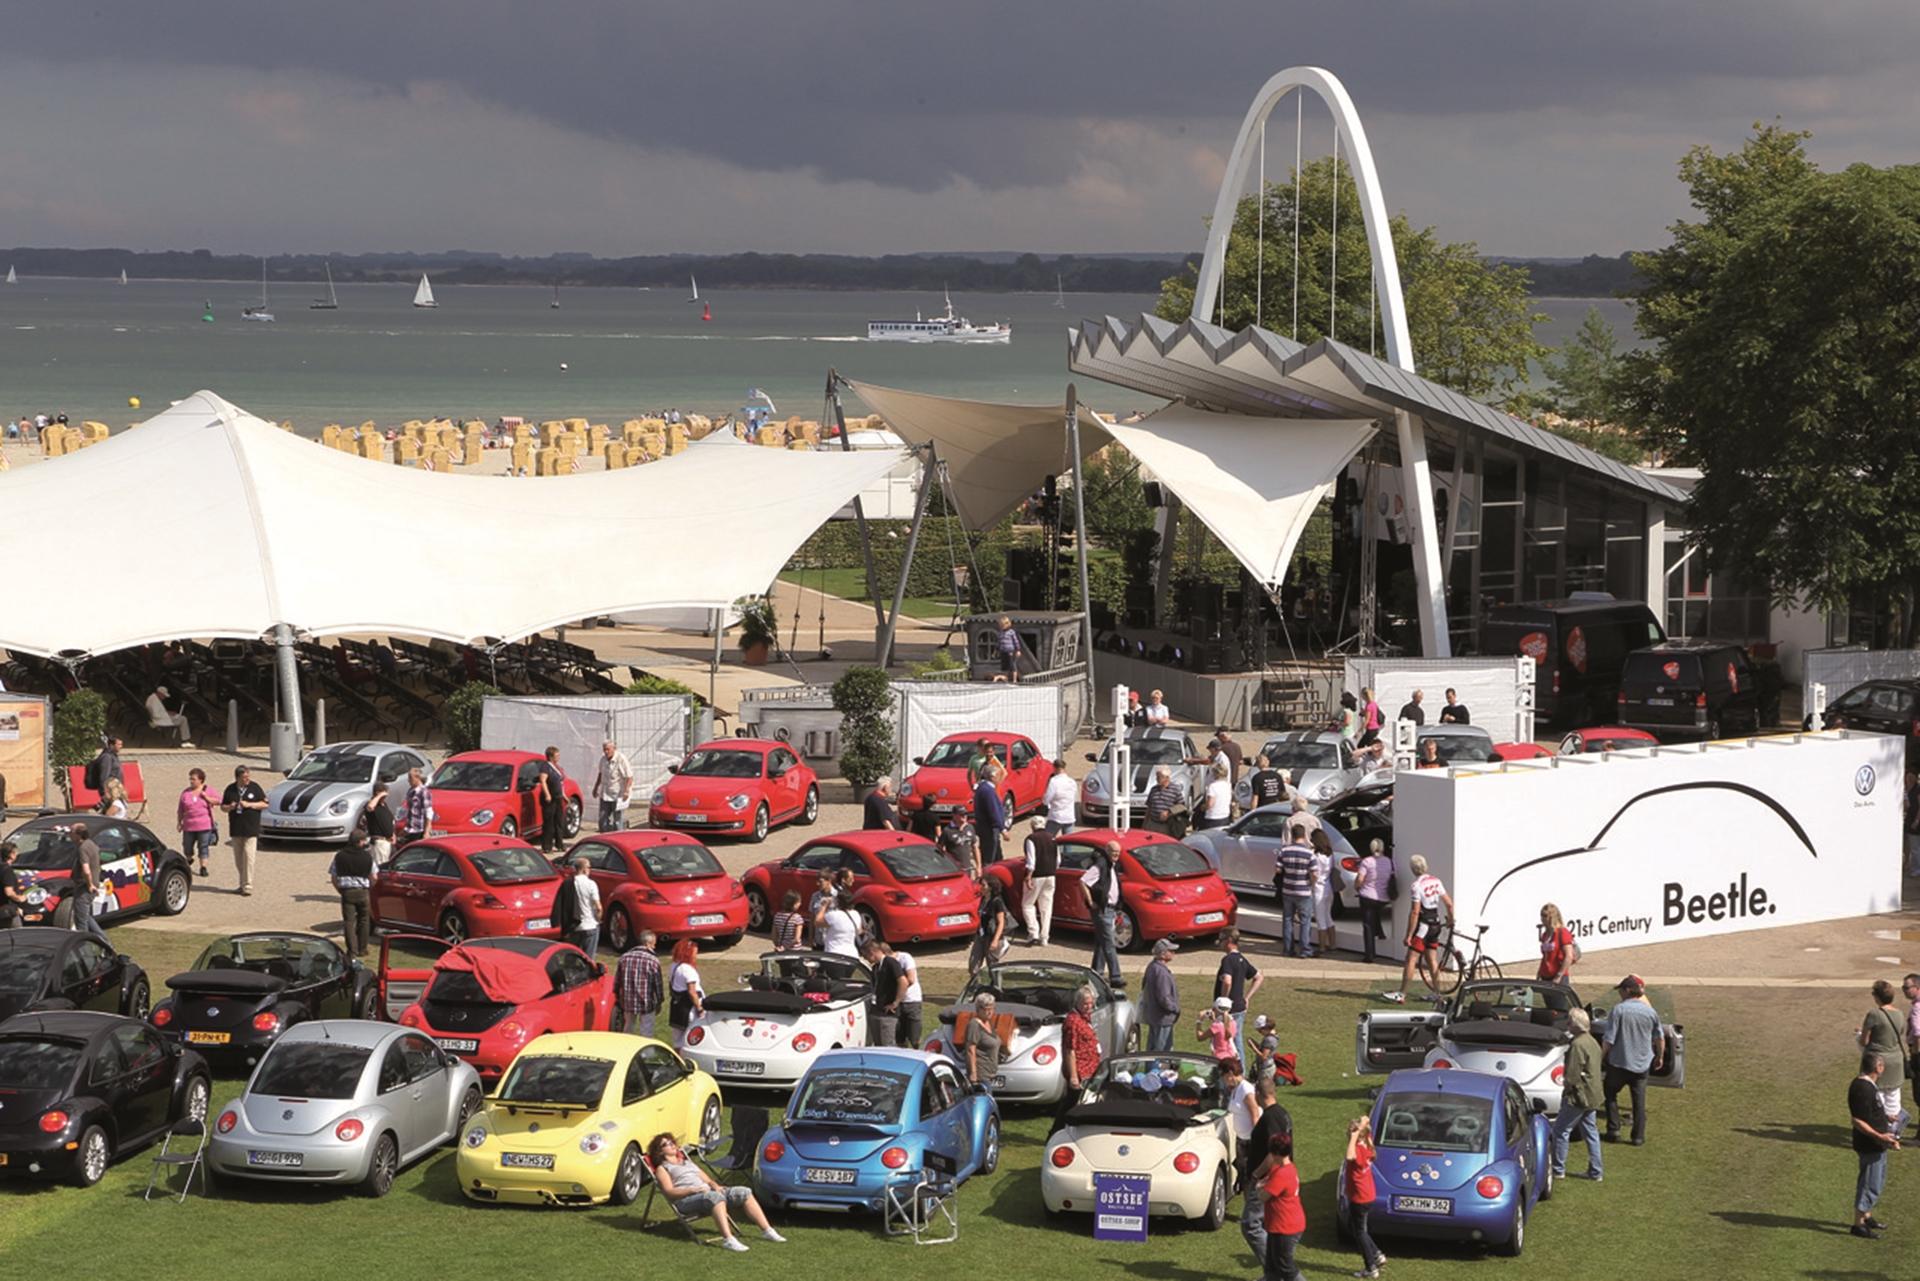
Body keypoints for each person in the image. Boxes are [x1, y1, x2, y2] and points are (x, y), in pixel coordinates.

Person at [646, 1132, 785, 1251]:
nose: (672, 1145)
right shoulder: (662, 1169)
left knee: (744, 1192)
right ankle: (728, 1239)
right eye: (666, 1144)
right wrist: (692, 1190)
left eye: (672, 1142)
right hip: (686, 1200)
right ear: (659, 1151)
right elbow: (670, 1192)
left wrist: (716, 1185)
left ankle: (767, 1231)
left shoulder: (688, 1163)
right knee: (714, 1198)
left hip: (706, 1193)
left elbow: (707, 1179)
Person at [1601, 974, 1666, 1145]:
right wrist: (1659, 1056)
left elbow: (1609, 1038)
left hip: (1619, 1062)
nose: (1619, 994)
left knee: (1610, 1094)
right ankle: (1638, 1136)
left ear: (1628, 991)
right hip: (1642, 1064)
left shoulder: (1619, 1010)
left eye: (1621, 990)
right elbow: (1659, 1037)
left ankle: (1613, 1130)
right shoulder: (1650, 1012)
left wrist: (1601, 1057)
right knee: (1638, 1102)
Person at [1385, 855, 1452, 1003]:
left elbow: (1415, 912)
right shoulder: (1436, 881)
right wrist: (1451, 920)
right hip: (1436, 923)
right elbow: (1449, 903)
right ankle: (1437, 993)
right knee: (1432, 960)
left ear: (1412, 869)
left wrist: (1409, 935)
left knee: (1411, 959)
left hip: (1424, 926)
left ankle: (1402, 993)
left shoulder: (1416, 886)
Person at [1550, 1006, 1605, 1182]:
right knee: (1591, 1132)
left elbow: (1572, 1075)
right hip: (1593, 1094)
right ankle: (1596, 1171)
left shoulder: (1577, 1044)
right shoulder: (1592, 1041)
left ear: (1576, 1024)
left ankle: (1558, 1169)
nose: (1567, 1025)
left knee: (1560, 1131)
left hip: (1579, 1096)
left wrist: (1567, 1092)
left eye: (1570, 1022)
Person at [1850, 1051, 1900, 1239]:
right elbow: (1857, 1120)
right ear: (1877, 1067)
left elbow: (1869, 1112)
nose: (1884, 1068)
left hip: (1878, 1143)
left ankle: (1867, 1215)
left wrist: (1886, 1117)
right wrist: (1879, 1135)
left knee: (1876, 1180)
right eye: (1882, 1065)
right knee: (1869, 1183)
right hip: (1870, 1144)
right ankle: (1858, 1224)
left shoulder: (1869, 1086)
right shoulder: (1862, 1088)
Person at [1858, 979, 1910, 1134]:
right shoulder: (1900, 1014)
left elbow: (1864, 1041)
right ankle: (1894, 1132)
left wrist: (1859, 1035)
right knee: (1893, 1097)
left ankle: (1880, 1131)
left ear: (1877, 996)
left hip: (1877, 1061)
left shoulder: (1874, 1014)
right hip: (1896, 1061)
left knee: (1877, 1097)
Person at [1344, 1115, 1386, 1278]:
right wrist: (1363, 1124)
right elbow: (1367, 1121)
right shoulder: (1368, 1144)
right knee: (1361, 1229)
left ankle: (1370, 1267)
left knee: (1359, 1232)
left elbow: (1349, 1156)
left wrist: (1354, 1136)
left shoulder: (1358, 1150)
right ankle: (1377, 1254)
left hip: (1359, 1197)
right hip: (1368, 1194)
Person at [1261, 1130, 1305, 1281]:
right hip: (1278, 1224)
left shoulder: (1283, 1173)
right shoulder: (1284, 1167)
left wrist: (1259, 1186)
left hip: (1286, 1226)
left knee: (1285, 1266)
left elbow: (1263, 1196)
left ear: (1276, 1153)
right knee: (1272, 1264)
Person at [1215, 929, 1264, 1064]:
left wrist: (1222, 1002)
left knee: (1228, 1042)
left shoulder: (1228, 960)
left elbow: (1227, 981)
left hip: (1228, 1010)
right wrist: (1247, 997)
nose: (1220, 944)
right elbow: (1258, 977)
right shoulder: (1242, 959)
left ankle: (1237, 1072)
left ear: (1229, 941)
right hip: (1240, 1007)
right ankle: (1240, 1071)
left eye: (1222, 940)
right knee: (1237, 1040)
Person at [1081, 838, 1123, 988]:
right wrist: (1091, 901)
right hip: (1102, 909)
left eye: (1118, 853)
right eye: (1113, 852)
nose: (1116, 855)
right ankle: (1116, 976)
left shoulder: (1112, 866)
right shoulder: (1101, 865)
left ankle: (1096, 973)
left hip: (1110, 909)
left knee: (1101, 942)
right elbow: (1084, 881)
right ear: (1107, 851)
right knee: (1109, 943)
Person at [220, 766, 268, 896]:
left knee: (249, 856)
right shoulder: (230, 789)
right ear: (237, 778)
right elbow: (222, 807)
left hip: (251, 828)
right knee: (238, 859)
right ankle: (242, 883)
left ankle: (248, 885)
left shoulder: (255, 787)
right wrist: (229, 807)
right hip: (236, 828)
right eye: (244, 777)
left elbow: (265, 804)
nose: (247, 779)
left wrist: (250, 805)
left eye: (248, 776)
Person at [328, 830, 375, 959]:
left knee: (349, 921)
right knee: (364, 920)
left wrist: (340, 890)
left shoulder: (340, 856)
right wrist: (370, 888)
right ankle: (362, 948)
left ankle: (352, 951)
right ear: (360, 842)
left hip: (347, 891)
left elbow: (333, 877)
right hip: (363, 890)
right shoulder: (367, 856)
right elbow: (374, 876)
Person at [1273, 826, 1315, 959]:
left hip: (1288, 889)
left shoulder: (1284, 851)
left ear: (1292, 835)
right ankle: (1305, 949)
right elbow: (1314, 873)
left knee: (1287, 919)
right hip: (1304, 891)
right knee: (1305, 921)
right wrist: (1311, 883)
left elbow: (1278, 870)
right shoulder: (1309, 853)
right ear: (1304, 835)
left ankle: (1288, 949)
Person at [614, 930, 663, 1036]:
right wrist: (659, 1001)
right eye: (654, 944)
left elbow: (617, 982)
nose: (654, 947)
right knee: (646, 1031)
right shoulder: (653, 961)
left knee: (628, 1028)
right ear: (647, 944)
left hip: (628, 1000)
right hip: (646, 1003)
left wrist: (618, 997)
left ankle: (626, 1049)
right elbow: (658, 985)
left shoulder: (624, 958)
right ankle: (645, 1051)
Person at [1220, 1056, 1259, 1190]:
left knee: (1249, 1177)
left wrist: (1256, 1139)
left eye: (1224, 1076)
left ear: (1230, 1074)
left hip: (1250, 1141)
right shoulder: (1236, 1089)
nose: (1224, 1080)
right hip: (1242, 1139)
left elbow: (1255, 1114)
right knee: (1243, 1176)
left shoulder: (1246, 1090)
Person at [68, 822, 110, 944]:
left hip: (84, 888)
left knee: (81, 922)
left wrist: (90, 884)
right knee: (86, 917)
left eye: (71, 832)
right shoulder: (91, 844)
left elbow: (86, 870)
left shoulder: (83, 848)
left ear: (78, 835)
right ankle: (106, 942)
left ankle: (84, 947)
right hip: (89, 887)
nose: (69, 834)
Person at [1021, 816, 1058, 946]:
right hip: (1051, 875)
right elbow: (1058, 860)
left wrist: (1028, 876)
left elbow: (1031, 861)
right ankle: (1045, 937)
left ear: (1032, 826)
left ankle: (1033, 932)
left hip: (1037, 875)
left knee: (1027, 904)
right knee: (1046, 907)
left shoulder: (1031, 839)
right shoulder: (1053, 838)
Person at [1354, 838, 1392, 964]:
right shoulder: (1389, 861)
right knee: (1376, 913)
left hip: (1367, 896)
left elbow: (1360, 879)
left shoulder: (1367, 862)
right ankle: (1381, 934)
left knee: (1367, 925)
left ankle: (1369, 954)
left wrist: (1357, 887)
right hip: (1383, 897)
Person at [863, 937, 906, 1046]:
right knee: (878, 1045)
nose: (865, 959)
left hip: (887, 1014)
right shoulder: (875, 967)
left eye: (865, 956)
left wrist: (896, 1002)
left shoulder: (890, 962)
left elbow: (903, 981)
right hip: (876, 1011)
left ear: (872, 952)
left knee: (887, 1045)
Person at [1140, 937, 1181, 1051]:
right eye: (1170, 951)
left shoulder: (1152, 967)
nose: (1173, 953)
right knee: (1162, 1051)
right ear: (1163, 954)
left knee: (1153, 1048)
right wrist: (1175, 1009)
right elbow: (1164, 998)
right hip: (1163, 1018)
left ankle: (1151, 1068)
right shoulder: (1161, 972)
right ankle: (1157, 1069)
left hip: (1154, 1015)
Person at [1062, 984, 1102, 1092]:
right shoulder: (1073, 1022)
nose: (1089, 1007)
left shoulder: (1085, 1018)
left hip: (1091, 1070)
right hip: (1081, 1073)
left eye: (1091, 1003)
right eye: (1085, 1004)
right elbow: (1070, 1050)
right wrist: (1074, 1077)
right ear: (1077, 1003)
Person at [961, 990, 1006, 1085]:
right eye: (986, 1009)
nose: (989, 1012)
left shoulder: (988, 1024)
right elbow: (970, 1050)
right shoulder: (974, 1025)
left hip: (989, 1075)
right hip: (980, 1076)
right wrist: (973, 1075)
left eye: (992, 1008)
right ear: (978, 1009)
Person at [668, 939, 705, 1046]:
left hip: (677, 1005)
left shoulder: (674, 966)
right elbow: (692, 991)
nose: (696, 956)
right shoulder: (688, 969)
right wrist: (700, 1009)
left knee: (677, 1039)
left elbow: (670, 984)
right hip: (689, 1008)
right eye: (694, 953)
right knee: (690, 1036)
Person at [591, 740, 633, 832]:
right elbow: (600, 773)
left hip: (617, 795)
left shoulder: (621, 759)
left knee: (617, 822)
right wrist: (596, 787)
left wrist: (626, 791)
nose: (606, 752)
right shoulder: (603, 759)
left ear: (614, 749)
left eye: (608, 749)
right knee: (602, 820)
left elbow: (629, 777)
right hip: (605, 794)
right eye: (604, 750)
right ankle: (604, 838)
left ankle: (620, 837)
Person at [970, 877, 1008, 975]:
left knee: (992, 966)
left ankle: (995, 987)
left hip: (991, 936)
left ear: (990, 887)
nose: (981, 887)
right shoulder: (983, 899)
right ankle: (976, 986)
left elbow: (1001, 922)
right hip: (981, 935)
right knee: (973, 965)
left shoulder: (997, 901)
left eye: (983, 885)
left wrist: (995, 940)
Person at [568, 856, 601, 957]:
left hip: (575, 925)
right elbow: (598, 907)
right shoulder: (591, 884)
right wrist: (598, 920)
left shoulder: (569, 883)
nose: (590, 870)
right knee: (589, 958)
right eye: (589, 867)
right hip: (590, 924)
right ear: (584, 869)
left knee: (573, 957)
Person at [1309, 829, 1336, 954]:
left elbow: (1314, 873)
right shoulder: (1330, 854)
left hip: (1318, 887)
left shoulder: (1315, 855)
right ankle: (1333, 943)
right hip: (1328, 886)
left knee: (1320, 918)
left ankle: (1322, 946)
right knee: (1328, 916)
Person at [973, 770, 1007, 866]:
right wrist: (1002, 829)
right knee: (989, 857)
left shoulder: (984, 788)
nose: (999, 778)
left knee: (997, 857)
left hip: (987, 828)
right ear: (992, 777)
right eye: (997, 775)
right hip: (989, 829)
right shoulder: (987, 791)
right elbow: (993, 811)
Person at [1538, 903, 1578, 985]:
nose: (1542, 919)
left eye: (1545, 916)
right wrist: (1539, 972)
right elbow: (1545, 957)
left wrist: (1559, 976)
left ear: (1552, 917)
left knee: (1558, 998)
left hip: (1558, 977)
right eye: (1541, 916)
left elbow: (1568, 956)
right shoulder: (1545, 935)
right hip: (1545, 976)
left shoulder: (1562, 932)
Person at [538, 746, 567, 853]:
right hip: (550, 799)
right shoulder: (545, 767)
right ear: (550, 756)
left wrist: (563, 795)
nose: (558, 757)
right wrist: (547, 794)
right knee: (549, 822)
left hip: (558, 797)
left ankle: (559, 844)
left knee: (559, 821)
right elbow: (543, 780)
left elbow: (560, 782)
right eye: (556, 755)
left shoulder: (556, 767)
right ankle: (547, 846)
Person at [893, 946, 924, 1048]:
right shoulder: (882, 964)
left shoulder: (905, 958)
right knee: (899, 1036)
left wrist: (898, 995)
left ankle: (917, 1053)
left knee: (914, 1037)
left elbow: (911, 979)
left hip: (911, 1001)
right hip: (897, 1003)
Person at [815, 890, 860, 959]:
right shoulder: (856, 914)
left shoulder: (834, 915)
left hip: (834, 955)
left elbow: (817, 922)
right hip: (852, 956)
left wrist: (824, 907)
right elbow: (859, 930)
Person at [1143, 766, 1184, 836]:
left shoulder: (1175, 789)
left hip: (1167, 826)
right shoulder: (1153, 789)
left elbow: (1181, 807)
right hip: (1152, 824)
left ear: (1167, 778)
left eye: (1159, 777)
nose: (1157, 779)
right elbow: (1149, 807)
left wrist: (1168, 813)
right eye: (1157, 777)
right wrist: (1145, 823)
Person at [938, 810, 979, 880]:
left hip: (967, 869)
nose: (964, 816)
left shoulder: (970, 828)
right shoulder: (947, 831)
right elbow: (939, 849)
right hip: (954, 870)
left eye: (965, 814)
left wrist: (978, 866)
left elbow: (975, 848)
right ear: (954, 816)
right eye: (961, 814)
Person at [362, 781, 395, 865]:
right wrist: (379, 795)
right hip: (379, 842)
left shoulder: (384, 805)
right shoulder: (371, 805)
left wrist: (393, 834)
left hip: (388, 841)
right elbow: (370, 807)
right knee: (381, 865)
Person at [400, 767, 433, 847]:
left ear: (417, 778)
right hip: (410, 829)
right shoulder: (411, 790)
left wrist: (427, 831)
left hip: (419, 830)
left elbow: (428, 812)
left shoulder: (423, 792)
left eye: (410, 778)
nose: (408, 781)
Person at [1042, 759, 1076, 835]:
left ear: (1055, 768)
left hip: (1056, 816)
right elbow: (1074, 796)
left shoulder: (1054, 781)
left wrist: (1045, 801)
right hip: (1069, 816)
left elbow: (1047, 798)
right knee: (1068, 842)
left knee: (1048, 839)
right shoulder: (1072, 782)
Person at [1198, 997, 1238, 1062]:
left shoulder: (1216, 1026)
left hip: (1219, 1058)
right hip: (1232, 1056)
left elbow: (1200, 1037)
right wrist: (1214, 1020)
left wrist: (1199, 1021)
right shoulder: (1233, 1023)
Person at [1197, 761, 1232, 831]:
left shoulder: (1213, 786)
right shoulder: (1228, 785)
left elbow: (1210, 804)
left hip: (1213, 817)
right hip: (1225, 815)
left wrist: (1203, 807)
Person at [0, 841, 27, 928]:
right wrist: (20, 898)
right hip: (7, 911)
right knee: (17, 937)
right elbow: (8, 892)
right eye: (16, 852)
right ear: (11, 855)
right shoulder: (7, 871)